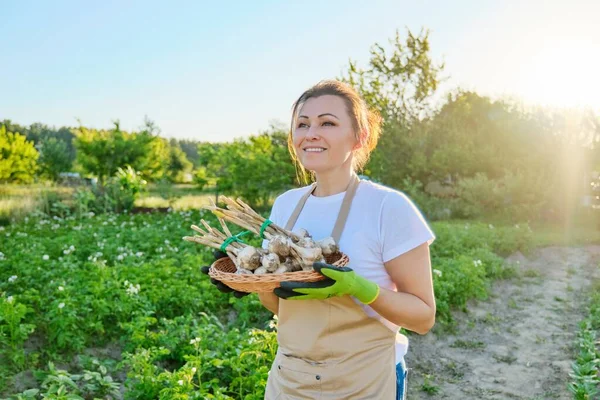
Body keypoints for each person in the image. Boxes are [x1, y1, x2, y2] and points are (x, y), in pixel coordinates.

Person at [203, 80, 436, 399]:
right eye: (302, 124)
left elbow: (423, 318)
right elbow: (284, 308)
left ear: (359, 136)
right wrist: (251, 281)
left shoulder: (387, 207)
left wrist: (359, 288)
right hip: (292, 380)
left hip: (363, 380)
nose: (310, 133)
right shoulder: (286, 205)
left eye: (327, 122)